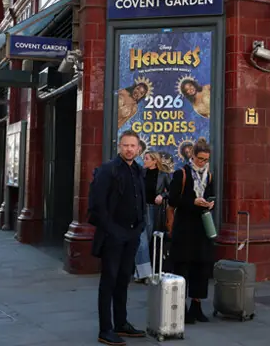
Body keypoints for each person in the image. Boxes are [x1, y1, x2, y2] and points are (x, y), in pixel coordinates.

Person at [90, 130, 147, 346]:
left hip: (132, 234)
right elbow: (97, 205)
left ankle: (121, 323)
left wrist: (140, 225)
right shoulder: (108, 170)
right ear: (119, 146)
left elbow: (140, 199)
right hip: (113, 235)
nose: (129, 149)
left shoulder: (138, 171)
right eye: (125, 145)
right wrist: (112, 230)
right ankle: (105, 329)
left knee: (124, 279)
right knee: (109, 281)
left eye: (133, 146)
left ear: (139, 148)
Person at [168, 137, 215, 324]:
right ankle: (182, 307)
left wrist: (210, 203)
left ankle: (197, 306)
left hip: (202, 227)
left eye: (206, 159)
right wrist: (192, 201)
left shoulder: (209, 175)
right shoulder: (182, 173)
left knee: (201, 267)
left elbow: (211, 193)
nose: (203, 163)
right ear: (192, 156)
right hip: (184, 226)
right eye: (200, 159)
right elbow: (172, 200)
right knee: (183, 266)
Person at [133, 151, 172, 282]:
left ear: (155, 161)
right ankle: (145, 274)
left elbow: (172, 191)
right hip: (141, 209)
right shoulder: (141, 173)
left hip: (155, 210)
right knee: (142, 241)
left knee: (149, 241)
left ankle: (140, 274)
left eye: (147, 158)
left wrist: (163, 195)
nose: (144, 160)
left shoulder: (164, 175)